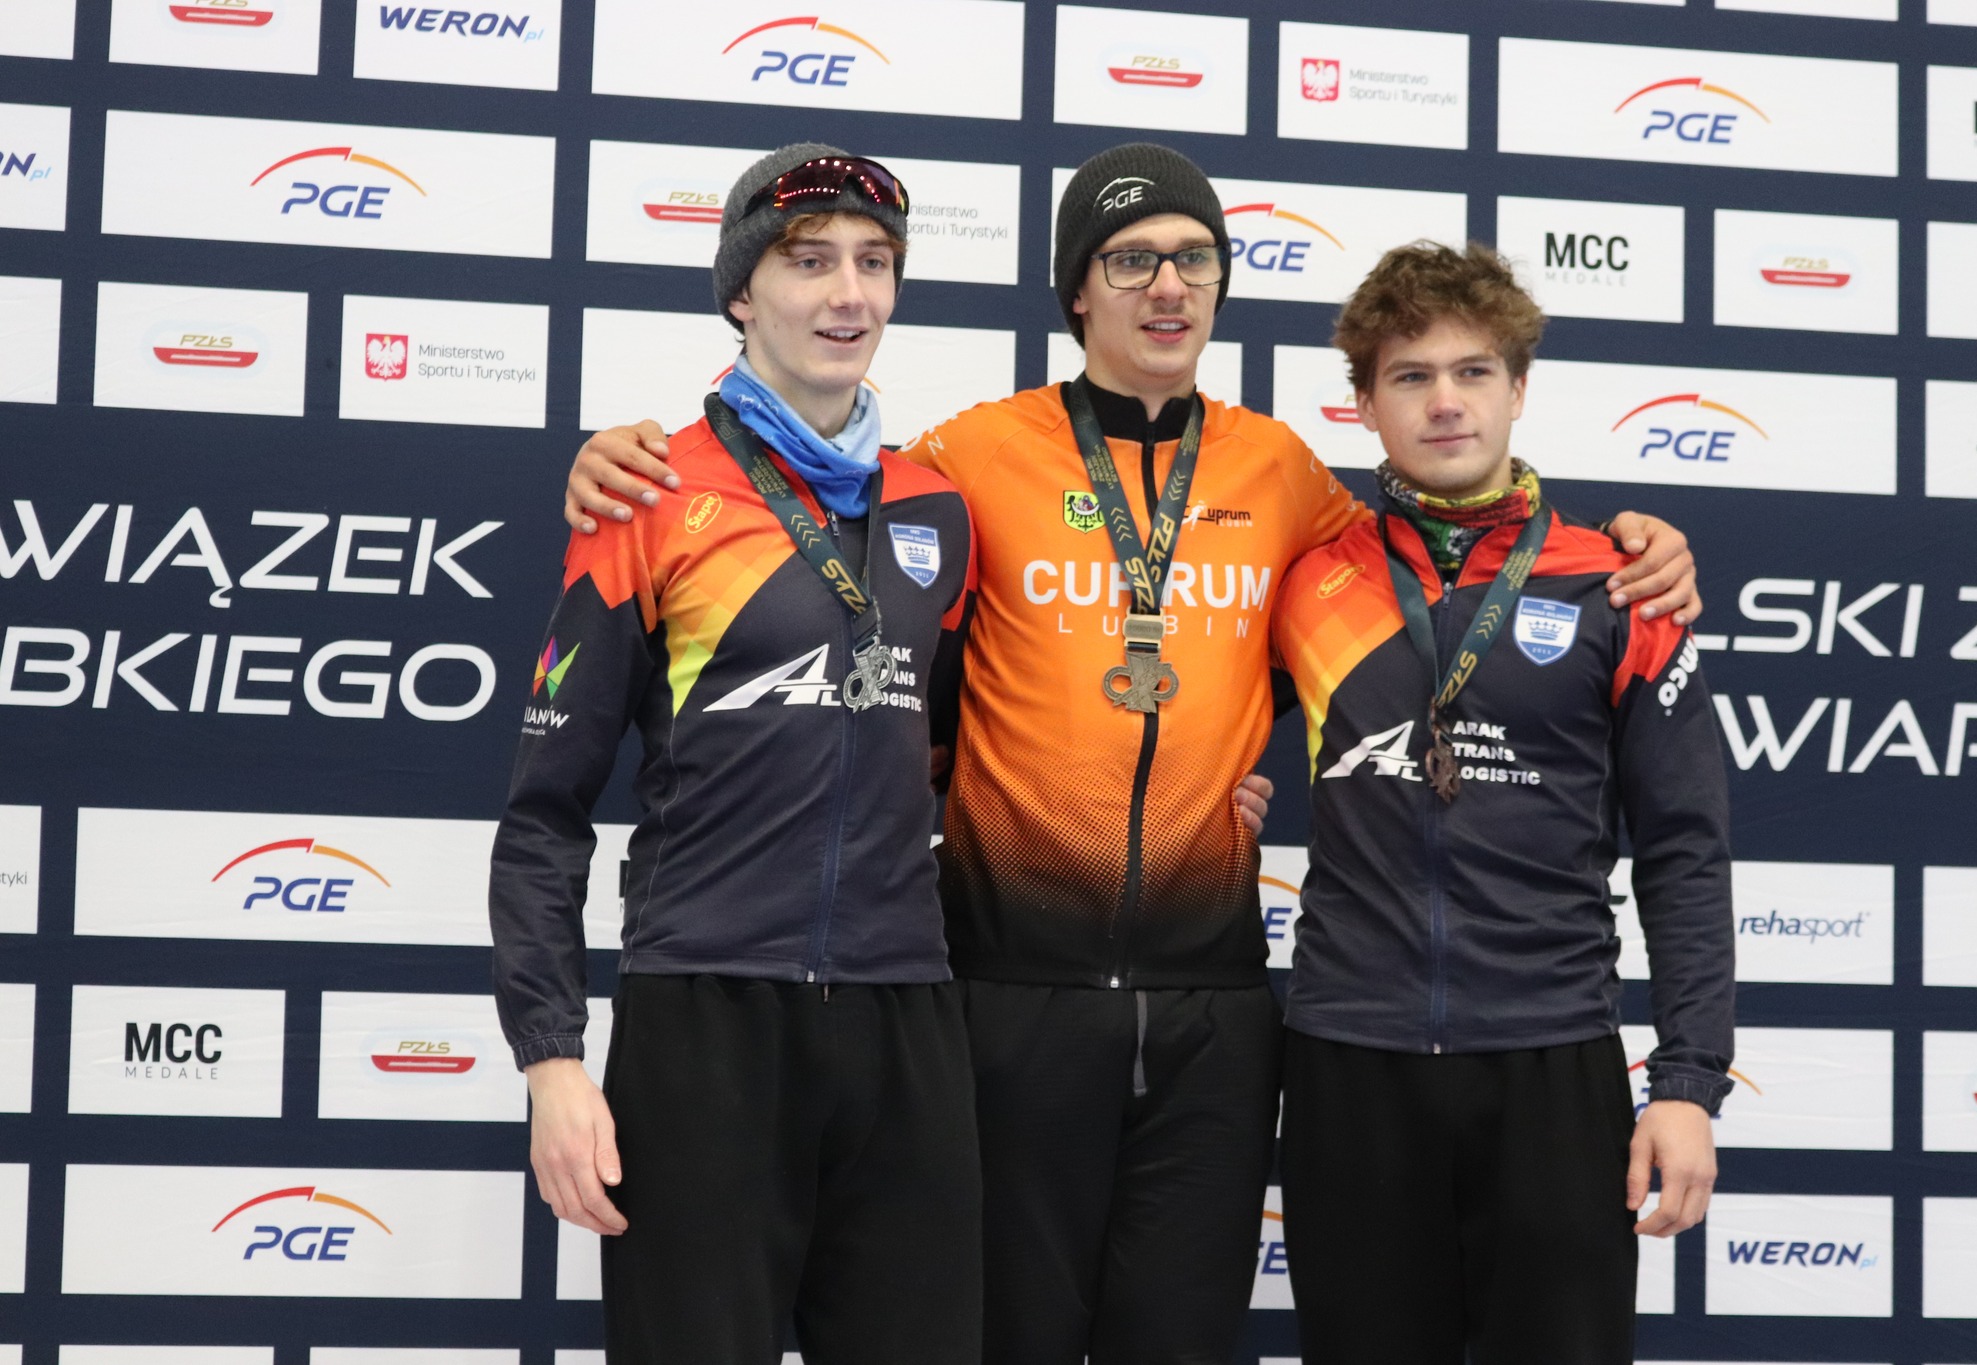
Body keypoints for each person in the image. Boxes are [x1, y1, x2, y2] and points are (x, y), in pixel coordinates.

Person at [558, 144, 1702, 1364]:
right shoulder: (965, 461)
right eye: (1130, 261)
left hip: (1214, 1009)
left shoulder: (1284, 476)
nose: (1167, 286)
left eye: (1194, 260)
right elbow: (819, 505)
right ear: (1075, 290)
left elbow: (1441, 563)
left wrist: (1629, 541)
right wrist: (618, 459)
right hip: (1006, 996)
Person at [488, 144, 980, 1365]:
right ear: (740, 293)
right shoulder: (646, 495)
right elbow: (544, 814)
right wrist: (551, 1062)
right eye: (808, 262)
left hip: (904, 1023)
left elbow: (959, 749)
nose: (847, 296)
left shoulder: (938, 510)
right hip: (705, 1021)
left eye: (873, 263)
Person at [1270, 240, 1735, 1365]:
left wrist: (1687, 1083)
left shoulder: (1617, 585)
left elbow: (1683, 847)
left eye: (1473, 371)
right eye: (1410, 375)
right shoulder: (1305, 578)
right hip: (1350, 1060)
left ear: (1518, 388)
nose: (1445, 402)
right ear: (1363, 406)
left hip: (1551, 1061)